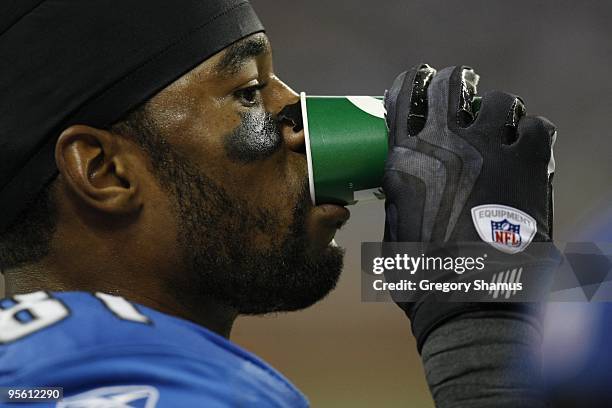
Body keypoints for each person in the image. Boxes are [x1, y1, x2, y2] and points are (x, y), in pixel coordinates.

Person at [0, 1, 556, 407]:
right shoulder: (155, 385)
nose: (304, 124)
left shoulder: (43, 373)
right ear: (104, 170)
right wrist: (481, 332)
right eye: (248, 91)